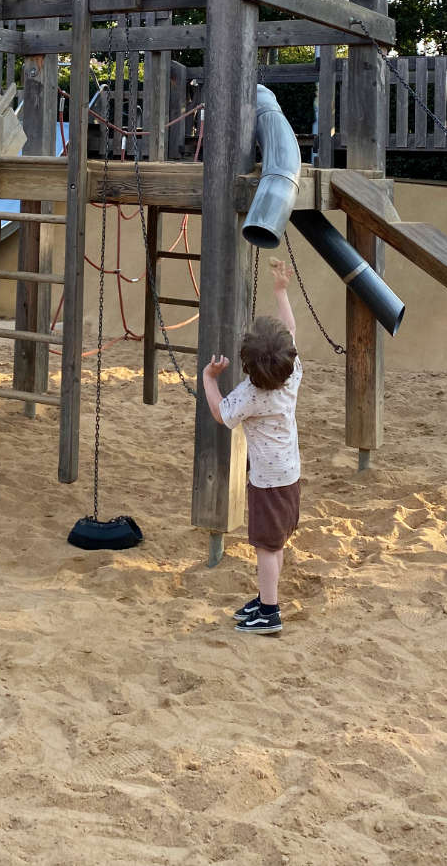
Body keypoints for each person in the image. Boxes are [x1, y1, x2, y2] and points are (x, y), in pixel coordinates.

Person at [202, 258, 301, 636]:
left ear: (248, 366)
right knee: (274, 543)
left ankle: (270, 611)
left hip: (267, 483)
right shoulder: (292, 376)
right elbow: (289, 331)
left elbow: (220, 414)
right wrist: (280, 291)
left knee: (266, 547)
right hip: (290, 476)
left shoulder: (250, 394)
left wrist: (210, 378)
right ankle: (264, 600)